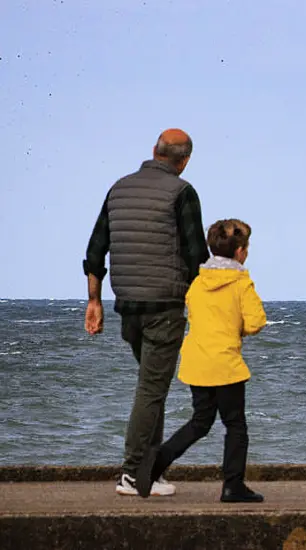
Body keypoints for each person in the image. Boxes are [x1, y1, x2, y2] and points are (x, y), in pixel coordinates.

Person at [84, 128, 209, 496]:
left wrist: (93, 301)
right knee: (151, 390)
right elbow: (195, 254)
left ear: (154, 151)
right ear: (184, 161)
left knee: (152, 389)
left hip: (127, 308)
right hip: (164, 307)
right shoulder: (182, 193)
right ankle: (132, 473)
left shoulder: (118, 189)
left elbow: (95, 250)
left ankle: (149, 472)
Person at [136, 219, 267, 503]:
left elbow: (195, 315)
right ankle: (233, 486)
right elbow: (257, 321)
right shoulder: (240, 283)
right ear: (240, 252)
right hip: (226, 365)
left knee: (200, 422)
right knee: (235, 426)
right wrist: (237, 328)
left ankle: (158, 460)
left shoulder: (197, 282)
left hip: (197, 362)